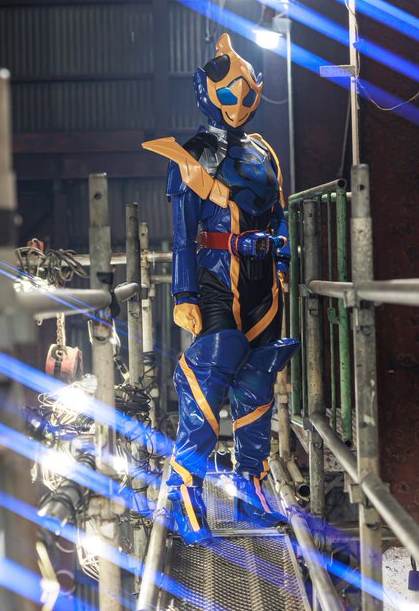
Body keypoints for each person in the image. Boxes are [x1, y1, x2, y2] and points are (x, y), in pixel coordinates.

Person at [142, 33, 299, 545]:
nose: (238, 102)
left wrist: (282, 255)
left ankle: (251, 486)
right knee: (213, 369)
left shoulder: (263, 150)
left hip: (263, 280)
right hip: (216, 274)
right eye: (229, 92)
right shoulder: (193, 152)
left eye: (246, 92)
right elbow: (182, 233)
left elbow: (278, 213)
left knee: (258, 377)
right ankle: (183, 490)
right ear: (208, 91)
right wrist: (183, 294)